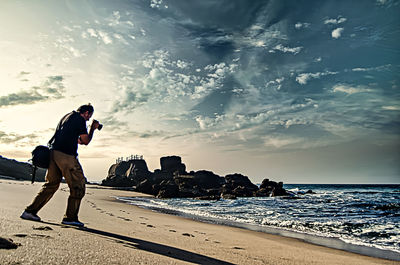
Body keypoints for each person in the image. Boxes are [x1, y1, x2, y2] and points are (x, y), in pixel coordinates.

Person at [20, 104, 100, 227]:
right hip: (66, 155)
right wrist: (92, 129)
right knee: (78, 186)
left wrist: (82, 136)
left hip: (53, 153)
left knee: (51, 184)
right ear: (87, 113)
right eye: (89, 116)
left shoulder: (67, 117)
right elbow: (85, 141)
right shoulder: (79, 119)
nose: (89, 119)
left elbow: (77, 140)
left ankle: (30, 211)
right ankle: (70, 218)